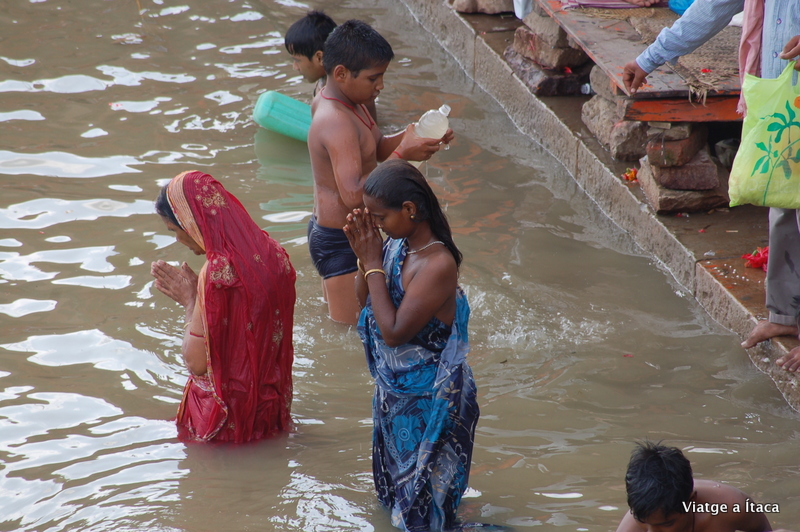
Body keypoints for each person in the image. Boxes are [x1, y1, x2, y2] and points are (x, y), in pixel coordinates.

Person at [621, 1, 800, 372]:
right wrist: (650, 58)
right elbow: (714, 5)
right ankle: (785, 313)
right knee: (782, 201)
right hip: (778, 93)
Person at [343, 159, 479, 532]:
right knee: (396, 499)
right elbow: (366, 301)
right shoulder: (395, 245)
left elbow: (393, 331)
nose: (376, 225)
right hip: (395, 397)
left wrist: (372, 260)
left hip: (430, 401)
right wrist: (364, 255)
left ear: (409, 210)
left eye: (380, 218)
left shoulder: (437, 264)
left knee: (423, 508)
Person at [307, 19, 454, 325]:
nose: (381, 86)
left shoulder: (351, 100)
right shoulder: (336, 121)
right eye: (374, 78)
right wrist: (404, 154)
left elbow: (374, 149)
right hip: (340, 237)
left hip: (348, 234)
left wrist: (417, 136)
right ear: (341, 74)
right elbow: (351, 195)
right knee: (350, 335)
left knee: (356, 322)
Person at [151, 170, 296, 443]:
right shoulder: (273, 251)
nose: (178, 240)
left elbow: (196, 363)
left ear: (191, 222)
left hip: (225, 418)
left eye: (175, 231)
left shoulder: (217, 270)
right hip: (269, 407)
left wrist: (191, 301)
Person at [616, 442, 772, 532]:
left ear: (691, 501)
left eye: (667, 524)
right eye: (644, 523)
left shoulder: (733, 507)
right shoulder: (631, 527)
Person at [284, 10, 378, 123]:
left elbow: (370, 133)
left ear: (320, 58)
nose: (295, 67)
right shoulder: (328, 81)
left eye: (297, 60)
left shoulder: (346, 93)